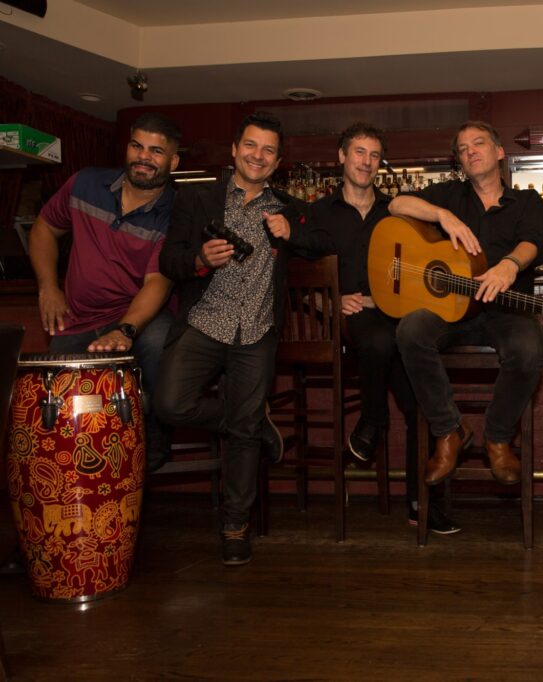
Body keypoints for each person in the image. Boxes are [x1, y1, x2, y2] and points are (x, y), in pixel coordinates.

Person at [156, 112, 328, 566]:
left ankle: (235, 526)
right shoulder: (198, 199)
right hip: (205, 321)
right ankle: (250, 421)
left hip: (256, 329)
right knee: (170, 403)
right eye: (251, 146)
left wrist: (295, 233)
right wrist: (199, 258)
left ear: (278, 160)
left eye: (268, 150)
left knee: (243, 434)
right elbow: (169, 261)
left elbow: (322, 242)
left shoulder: (288, 207)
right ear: (234, 150)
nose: (258, 155)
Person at [307, 122, 459, 535]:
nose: (366, 162)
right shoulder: (319, 213)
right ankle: (373, 420)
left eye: (374, 155)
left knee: (419, 404)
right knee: (375, 337)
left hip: (393, 320)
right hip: (349, 320)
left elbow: (424, 258)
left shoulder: (396, 210)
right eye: (359, 152)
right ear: (341, 156)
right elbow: (295, 271)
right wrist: (329, 301)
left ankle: (421, 502)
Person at [390, 120, 543, 492]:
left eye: (479, 143)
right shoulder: (449, 195)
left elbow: (534, 242)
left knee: (529, 350)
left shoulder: (525, 201)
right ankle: (449, 431)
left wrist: (510, 265)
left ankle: (496, 437)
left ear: (499, 152)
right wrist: (441, 215)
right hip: (453, 309)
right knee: (410, 331)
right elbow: (396, 204)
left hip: (506, 310)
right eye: (462, 148)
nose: (470, 151)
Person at [28, 112, 181, 473]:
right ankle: (72, 472)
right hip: (77, 316)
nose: (144, 157)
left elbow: (158, 281)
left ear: (173, 162)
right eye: (137, 146)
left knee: (160, 344)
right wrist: (48, 286)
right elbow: (45, 229)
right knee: (61, 396)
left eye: (156, 151)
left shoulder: (177, 212)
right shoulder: (85, 183)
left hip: (141, 315)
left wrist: (125, 329)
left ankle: (155, 434)